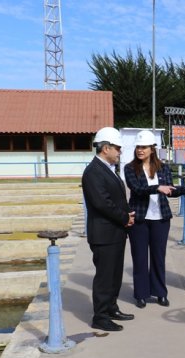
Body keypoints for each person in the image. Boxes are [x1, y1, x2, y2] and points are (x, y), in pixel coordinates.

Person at [123, 130, 185, 309]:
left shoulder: (163, 168)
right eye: (138, 147)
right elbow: (137, 189)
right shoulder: (129, 168)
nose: (140, 150)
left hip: (160, 219)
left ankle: (160, 292)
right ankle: (141, 294)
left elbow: (170, 190)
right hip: (140, 218)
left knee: (158, 257)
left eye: (144, 147)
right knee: (140, 257)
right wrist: (157, 187)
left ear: (152, 149)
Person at [81, 127, 135, 333]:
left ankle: (111, 307)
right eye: (118, 148)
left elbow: (116, 199)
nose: (120, 152)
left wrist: (127, 215)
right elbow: (102, 203)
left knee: (114, 274)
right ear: (105, 148)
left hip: (115, 232)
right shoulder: (93, 172)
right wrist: (124, 217)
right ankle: (100, 316)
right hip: (104, 234)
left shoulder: (107, 169)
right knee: (104, 277)